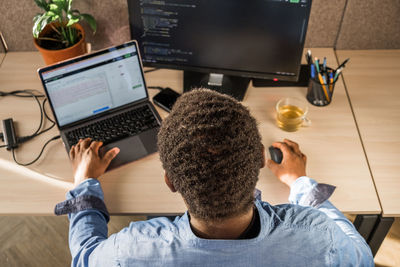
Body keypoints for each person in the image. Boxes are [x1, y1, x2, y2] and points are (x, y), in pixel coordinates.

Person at [55, 89, 374, 266]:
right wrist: (300, 182)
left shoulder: (134, 249)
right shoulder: (321, 238)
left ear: (170, 181)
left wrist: (84, 184)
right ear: (262, 161)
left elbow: (85, 257)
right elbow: (359, 253)